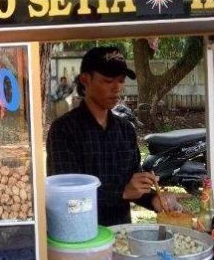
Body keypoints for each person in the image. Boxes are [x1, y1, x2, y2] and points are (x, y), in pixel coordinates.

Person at [47, 46, 175, 228]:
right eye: (108, 81)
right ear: (85, 80)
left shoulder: (125, 130)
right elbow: (67, 199)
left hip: (121, 236)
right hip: (80, 239)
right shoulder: (64, 131)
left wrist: (154, 199)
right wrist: (122, 193)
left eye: (121, 81)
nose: (117, 88)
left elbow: (133, 186)